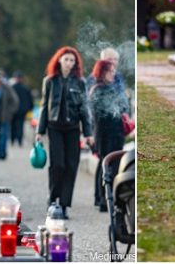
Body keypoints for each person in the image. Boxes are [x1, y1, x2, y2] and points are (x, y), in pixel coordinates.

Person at [36, 47, 93, 219]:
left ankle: (64, 204)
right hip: (55, 128)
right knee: (57, 165)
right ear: (59, 60)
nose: (69, 63)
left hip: (73, 129)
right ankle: (53, 200)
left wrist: (88, 133)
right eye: (66, 59)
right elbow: (44, 106)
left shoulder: (80, 82)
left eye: (72, 60)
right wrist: (40, 130)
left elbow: (84, 109)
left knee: (71, 166)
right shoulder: (50, 81)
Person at [88, 59, 130, 212]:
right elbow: (98, 113)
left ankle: (106, 197)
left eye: (113, 71)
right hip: (104, 133)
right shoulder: (98, 89)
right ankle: (102, 198)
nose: (113, 74)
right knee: (105, 164)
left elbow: (123, 107)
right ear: (102, 72)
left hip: (115, 132)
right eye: (110, 71)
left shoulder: (112, 88)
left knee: (111, 163)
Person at [0, 71, 20, 160]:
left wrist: (10, 112)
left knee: (4, 135)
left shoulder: (6, 88)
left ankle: (2, 154)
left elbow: (15, 101)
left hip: (5, 116)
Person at [9, 72, 32, 148]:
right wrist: (29, 108)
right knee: (20, 126)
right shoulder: (25, 88)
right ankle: (19, 140)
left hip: (14, 110)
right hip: (22, 110)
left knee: (13, 125)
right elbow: (30, 99)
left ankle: (13, 140)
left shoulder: (12, 88)